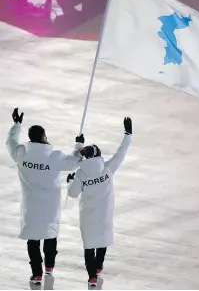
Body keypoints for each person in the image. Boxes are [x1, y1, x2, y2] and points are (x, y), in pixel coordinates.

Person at [6, 108, 84, 285]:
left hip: (30, 207)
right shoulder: (54, 157)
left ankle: (37, 274)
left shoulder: (21, 154)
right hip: (50, 206)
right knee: (50, 235)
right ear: (43, 137)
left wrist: (16, 124)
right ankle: (49, 266)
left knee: (33, 240)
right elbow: (74, 162)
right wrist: (79, 145)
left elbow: (10, 141)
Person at [67, 117, 132, 287]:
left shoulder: (81, 174)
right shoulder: (108, 169)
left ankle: (92, 277)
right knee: (102, 240)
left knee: (89, 246)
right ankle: (98, 268)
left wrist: (70, 181)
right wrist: (128, 134)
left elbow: (73, 194)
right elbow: (121, 153)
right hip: (104, 213)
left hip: (87, 216)